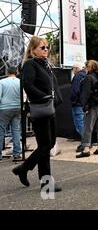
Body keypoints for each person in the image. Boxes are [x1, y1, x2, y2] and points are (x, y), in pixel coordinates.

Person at [12, 36, 63, 192]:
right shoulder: (30, 64)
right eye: (42, 47)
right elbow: (27, 85)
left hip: (50, 108)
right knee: (45, 144)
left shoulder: (45, 64)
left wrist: (55, 99)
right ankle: (46, 183)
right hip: (40, 108)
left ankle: (24, 168)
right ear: (33, 49)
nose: (46, 50)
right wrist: (43, 97)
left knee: (49, 143)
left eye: (47, 47)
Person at [76, 60, 98, 158]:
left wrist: (84, 106)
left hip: (92, 105)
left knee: (87, 127)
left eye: (86, 66)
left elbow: (85, 93)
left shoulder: (88, 77)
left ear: (90, 67)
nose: (85, 68)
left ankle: (86, 150)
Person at [0, 66, 22, 161]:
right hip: (17, 108)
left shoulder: (2, 82)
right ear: (16, 72)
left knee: (1, 131)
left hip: (4, 108)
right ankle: (17, 154)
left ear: (7, 72)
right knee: (16, 130)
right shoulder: (20, 82)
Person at [70, 62, 86, 152]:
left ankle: (85, 143)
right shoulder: (84, 75)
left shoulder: (77, 76)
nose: (72, 71)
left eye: (72, 69)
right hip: (83, 103)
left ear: (76, 68)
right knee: (83, 124)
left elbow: (74, 91)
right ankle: (86, 142)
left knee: (79, 124)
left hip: (77, 104)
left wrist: (73, 101)